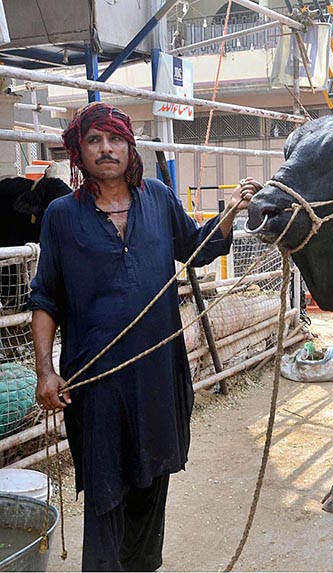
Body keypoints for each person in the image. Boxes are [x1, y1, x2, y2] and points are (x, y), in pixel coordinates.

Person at [29, 102, 253, 571]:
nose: (106, 149)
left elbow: (196, 248)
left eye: (115, 139)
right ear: (79, 151)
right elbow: (45, 297)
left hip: (158, 373)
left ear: (131, 148)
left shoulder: (158, 197)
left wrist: (229, 214)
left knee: (153, 479)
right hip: (97, 383)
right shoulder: (61, 216)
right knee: (106, 488)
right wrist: (45, 371)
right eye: (94, 140)